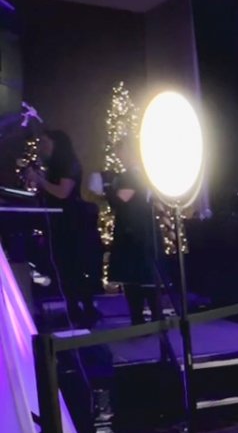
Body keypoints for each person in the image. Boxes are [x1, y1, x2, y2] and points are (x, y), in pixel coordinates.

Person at [22, 129, 101, 326]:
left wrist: (41, 180)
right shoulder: (51, 165)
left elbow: (63, 192)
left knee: (74, 267)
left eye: (46, 143)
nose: (43, 147)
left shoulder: (68, 164)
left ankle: (87, 309)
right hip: (56, 222)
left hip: (70, 222)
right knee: (64, 269)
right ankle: (73, 308)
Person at [105, 152, 164, 325]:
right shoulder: (145, 175)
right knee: (146, 276)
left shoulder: (130, 176)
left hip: (133, 232)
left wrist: (107, 186)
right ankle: (155, 318)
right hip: (144, 229)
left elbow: (121, 200)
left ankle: (139, 320)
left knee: (135, 277)